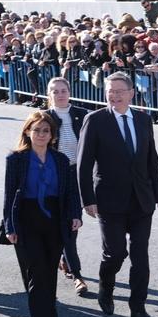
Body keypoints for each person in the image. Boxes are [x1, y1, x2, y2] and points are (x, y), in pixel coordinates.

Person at [77, 71, 158, 317]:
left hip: (141, 199)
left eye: (119, 91)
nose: (114, 95)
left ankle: (138, 308)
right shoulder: (94, 120)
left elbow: (151, 158)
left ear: (131, 93)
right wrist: (87, 199)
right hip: (109, 199)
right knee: (115, 253)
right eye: (110, 91)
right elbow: (84, 165)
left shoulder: (143, 119)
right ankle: (106, 285)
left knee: (141, 256)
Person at [3, 112, 83, 317]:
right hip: (27, 221)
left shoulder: (60, 160)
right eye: (36, 130)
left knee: (49, 274)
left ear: (52, 135)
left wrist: (75, 215)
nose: (41, 134)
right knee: (37, 274)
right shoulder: (16, 159)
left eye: (45, 131)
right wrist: (10, 226)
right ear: (27, 131)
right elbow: (9, 197)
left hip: (53, 220)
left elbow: (69, 192)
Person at [45, 77, 90, 296]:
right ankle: (77, 275)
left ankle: (65, 258)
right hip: (55, 177)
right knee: (67, 226)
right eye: (56, 91)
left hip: (78, 174)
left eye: (64, 90)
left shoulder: (83, 114)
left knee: (73, 222)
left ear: (69, 92)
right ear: (49, 94)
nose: (60, 94)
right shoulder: (44, 118)